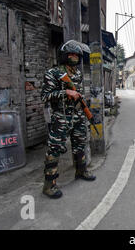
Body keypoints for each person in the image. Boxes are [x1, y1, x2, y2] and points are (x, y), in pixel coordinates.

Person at [41, 40, 96, 199]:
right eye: (70, 54)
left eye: (76, 55)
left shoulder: (78, 74)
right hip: (61, 116)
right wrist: (65, 93)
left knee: (80, 143)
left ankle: (81, 170)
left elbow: (79, 94)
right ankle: (49, 185)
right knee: (54, 149)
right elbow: (45, 96)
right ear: (64, 56)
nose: (73, 57)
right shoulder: (53, 73)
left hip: (78, 115)